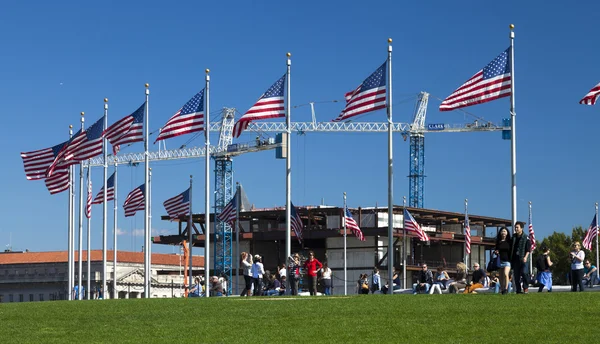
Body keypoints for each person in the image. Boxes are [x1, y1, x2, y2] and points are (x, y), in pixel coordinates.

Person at [511, 221, 531, 294]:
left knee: (524, 272)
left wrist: (525, 257)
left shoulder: (526, 237)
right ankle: (518, 290)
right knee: (516, 275)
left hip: (524, 258)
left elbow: (528, 249)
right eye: (515, 227)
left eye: (517, 227)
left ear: (521, 228)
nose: (516, 229)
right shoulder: (513, 237)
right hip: (516, 259)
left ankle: (525, 288)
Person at [495, 226, 512, 295]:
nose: (503, 232)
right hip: (500, 260)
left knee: (505, 274)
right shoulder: (498, 242)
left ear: (507, 233)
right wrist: (496, 252)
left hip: (507, 260)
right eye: (502, 231)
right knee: (501, 276)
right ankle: (502, 289)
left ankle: (506, 288)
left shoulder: (509, 241)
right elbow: (496, 249)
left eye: (505, 231)